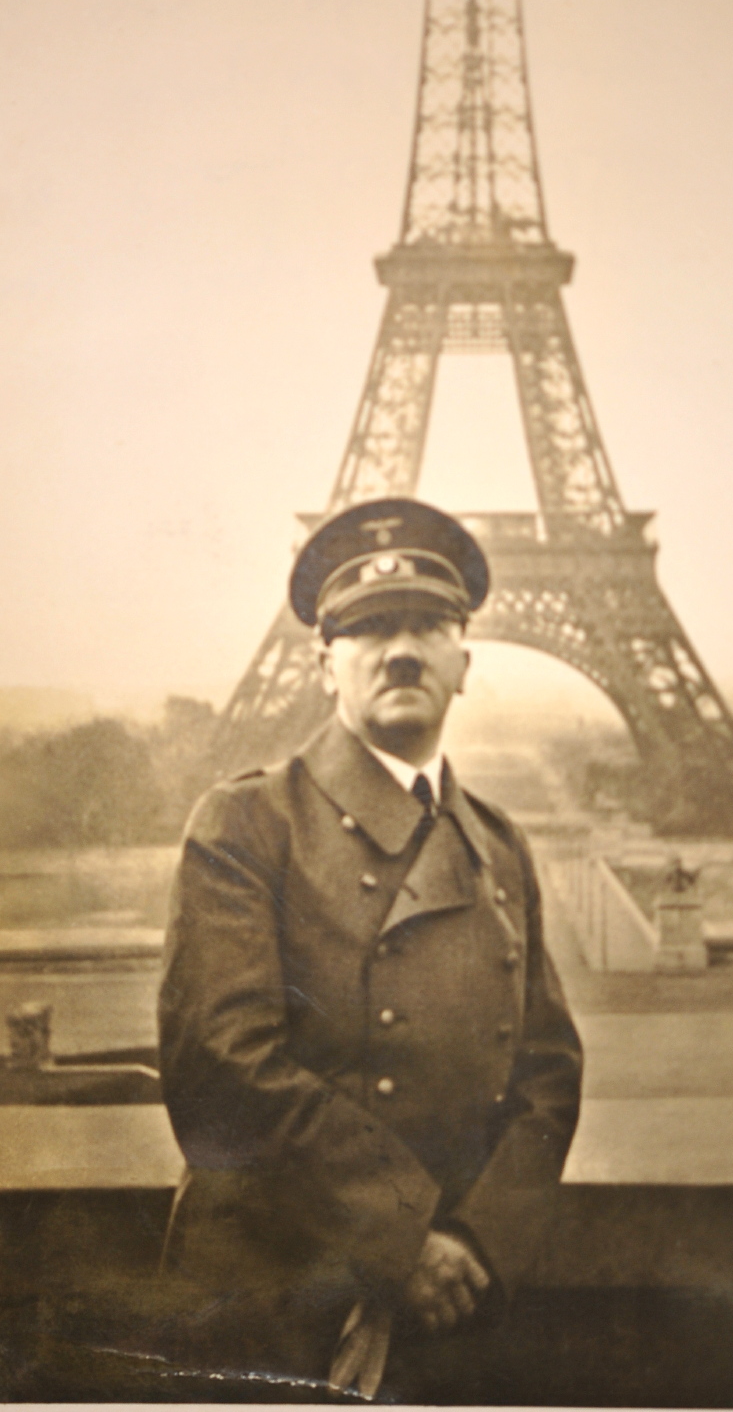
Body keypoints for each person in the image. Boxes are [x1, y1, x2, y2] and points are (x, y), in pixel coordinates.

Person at [157, 497, 583, 1399]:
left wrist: (472, 1242)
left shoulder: (500, 846)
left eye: (427, 623)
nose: (401, 649)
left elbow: (549, 1072)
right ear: (324, 661)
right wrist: (404, 1234)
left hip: (453, 1306)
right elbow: (221, 1070)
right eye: (369, 627)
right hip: (279, 1304)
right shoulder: (244, 823)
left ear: (463, 659)